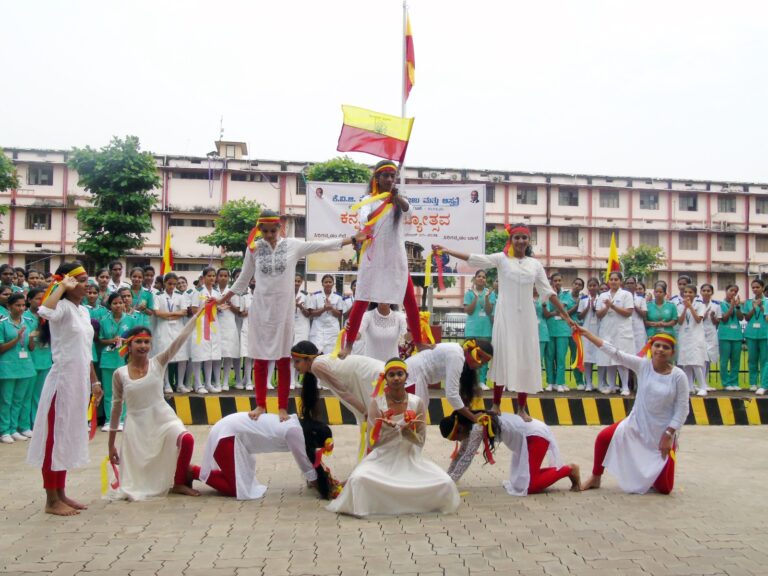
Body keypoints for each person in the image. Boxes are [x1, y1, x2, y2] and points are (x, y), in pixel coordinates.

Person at [222, 210, 364, 421]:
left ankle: (281, 407)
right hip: (260, 308)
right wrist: (223, 298)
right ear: (259, 230)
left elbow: (321, 245)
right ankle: (260, 405)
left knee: (283, 358)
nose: (269, 235)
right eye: (265, 231)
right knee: (260, 358)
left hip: (283, 310)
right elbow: (243, 279)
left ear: (280, 228)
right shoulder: (253, 249)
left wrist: (351, 239)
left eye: (273, 230)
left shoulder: (292, 245)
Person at [433, 223, 574, 420]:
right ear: (511, 240)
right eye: (516, 237)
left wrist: (566, 316)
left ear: (528, 240)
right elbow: (476, 259)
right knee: (502, 356)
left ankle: (522, 408)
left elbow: (548, 292)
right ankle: (497, 404)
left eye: (524, 238)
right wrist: (448, 251)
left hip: (526, 317)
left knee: (525, 358)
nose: (520, 241)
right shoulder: (501, 259)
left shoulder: (535, 265)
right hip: (505, 316)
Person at [327, 358, 460, 517]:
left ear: (406, 377)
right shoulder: (377, 403)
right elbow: (372, 443)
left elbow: (421, 441)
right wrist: (391, 430)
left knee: (444, 483)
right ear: (385, 378)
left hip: (409, 459)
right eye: (391, 375)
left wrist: (406, 432)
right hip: (382, 459)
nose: (396, 378)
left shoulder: (416, 402)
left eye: (399, 374)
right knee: (358, 479)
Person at [26, 262, 103, 516]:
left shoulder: (82, 311)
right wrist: (59, 286)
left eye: (86, 279)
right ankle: (50, 499)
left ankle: (61, 492)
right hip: (62, 381)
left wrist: (94, 381)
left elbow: (86, 352)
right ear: (67, 282)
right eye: (79, 280)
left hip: (79, 381)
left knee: (67, 438)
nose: (85, 284)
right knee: (54, 439)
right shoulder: (60, 307)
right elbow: (43, 311)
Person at [191, 374, 339, 500]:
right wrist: (328, 489)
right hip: (227, 435)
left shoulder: (296, 426)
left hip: (232, 435)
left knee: (243, 483)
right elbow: (304, 464)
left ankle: (204, 473)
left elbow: (310, 461)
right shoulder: (294, 432)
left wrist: (328, 480)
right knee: (237, 490)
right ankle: (194, 472)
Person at [106, 310, 204, 500]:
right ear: (129, 344)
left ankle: (180, 482)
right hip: (137, 426)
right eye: (138, 342)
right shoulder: (120, 374)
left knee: (187, 439)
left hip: (162, 418)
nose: (143, 346)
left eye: (146, 342)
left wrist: (199, 314)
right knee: (137, 483)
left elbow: (180, 339)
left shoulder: (158, 363)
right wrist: (110, 445)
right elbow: (116, 409)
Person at [579, 329, 689, 495]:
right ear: (651, 348)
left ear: (672, 352)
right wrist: (587, 335)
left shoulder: (678, 376)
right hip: (636, 424)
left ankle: (650, 475)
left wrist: (669, 434)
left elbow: (683, 408)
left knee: (665, 489)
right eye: (657, 345)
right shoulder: (644, 365)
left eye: (665, 347)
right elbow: (616, 354)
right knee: (603, 438)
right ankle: (596, 477)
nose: (660, 349)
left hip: (661, 434)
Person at [340, 161, 425, 358]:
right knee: (361, 300)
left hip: (396, 259)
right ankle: (349, 345)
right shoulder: (368, 199)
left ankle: (420, 343)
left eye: (392, 176)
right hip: (374, 259)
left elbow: (409, 212)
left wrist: (396, 200)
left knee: (410, 300)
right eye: (385, 175)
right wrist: (385, 202)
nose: (389, 179)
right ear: (376, 179)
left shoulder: (399, 200)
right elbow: (366, 220)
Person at [440, 411, 580, 495]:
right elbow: (461, 454)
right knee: (519, 483)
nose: (458, 441)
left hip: (535, 436)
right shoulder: (471, 425)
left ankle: (569, 470)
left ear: (459, 428)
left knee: (529, 486)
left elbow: (467, 458)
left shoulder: (478, 425)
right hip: (525, 439)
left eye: (456, 438)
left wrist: (448, 483)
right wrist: (447, 478)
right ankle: (553, 472)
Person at [405, 340, 493, 424]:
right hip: (412, 378)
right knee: (412, 419)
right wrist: (473, 417)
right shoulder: (457, 356)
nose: (481, 366)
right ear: (475, 354)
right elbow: (452, 395)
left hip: (415, 378)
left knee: (417, 417)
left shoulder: (457, 353)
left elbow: (454, 391)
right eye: (481, 362)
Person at [0, 292, 37, 443]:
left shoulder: (28, 321)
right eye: (17, 305)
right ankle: (4, 430)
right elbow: (1, 348)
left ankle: (16, 428)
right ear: (9, 306)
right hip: (8, 367)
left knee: (20, 400)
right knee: (6, 400)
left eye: (23, 305)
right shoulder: (2, 323)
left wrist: (32, 339)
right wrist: (17, 338)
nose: (21, 308)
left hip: (25, 366)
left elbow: (31, 348)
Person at [98, 293, 134, 431]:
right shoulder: (104, 320)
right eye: (115, 303)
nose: (118, 305)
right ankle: (109, 420)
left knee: (123, 390)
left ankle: (122, 419)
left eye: (120, 303)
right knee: (109, 392)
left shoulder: (130, 320)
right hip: (107, 358)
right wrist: (111, 340)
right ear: (110, 305)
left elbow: (135, 337)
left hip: (123, 358)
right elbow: (100, 339)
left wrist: (126, 341)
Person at [596, 272, 635, 396]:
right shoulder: (603, 295)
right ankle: (611, 386)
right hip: (607, 331)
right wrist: (607, 307)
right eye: (611, 279)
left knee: (621, 360)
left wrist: (612, 306)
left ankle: (625, 387)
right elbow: (598, 314)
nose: (613, 282)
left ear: (620, 281)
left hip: (621, 331)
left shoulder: (626, 294)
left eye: (616, 279)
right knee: (609, 360)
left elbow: (628, 312)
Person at [152, 273, 191, 393]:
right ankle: (167, 383)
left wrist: (167, 315)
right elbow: (157, 313)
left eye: (174, 284)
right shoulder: (158, 295)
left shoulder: (180, 295)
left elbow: (184, 312)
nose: (172, 286)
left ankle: (180, 384)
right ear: (164, 283)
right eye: (170, 284)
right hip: (163, 328)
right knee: (165, 355)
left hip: (178, 327)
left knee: (182, 355)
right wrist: (174, 314)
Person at [24, 288, 52, 427]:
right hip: (30, 360)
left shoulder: (47, 317)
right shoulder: (24, 317)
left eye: (43, 299)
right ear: (29, 300)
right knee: (27, 395)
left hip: (45, 359)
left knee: (40, 394)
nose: (40, 301)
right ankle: (25, 424)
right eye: (37, 298)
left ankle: (37, 423)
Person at [543, 272, 575, 393]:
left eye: (559, 280)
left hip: (563, 330)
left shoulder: (566, 294)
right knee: (549, 357)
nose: (557, 283)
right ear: (551, 283)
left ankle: (560, 382)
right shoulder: (546, 294)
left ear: (562, 281)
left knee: (561, 357)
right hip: (550, 330)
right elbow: (546, 312)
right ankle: (550, 382)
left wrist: (555, 311)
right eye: (554, 281)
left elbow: (560, 306)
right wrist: (555, 312)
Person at [676, 285, 709, 396]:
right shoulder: (680, 305)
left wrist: (690, 307)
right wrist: (685, 308)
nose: (687, 294)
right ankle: (689, 387)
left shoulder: (700, 305)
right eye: (685, 292)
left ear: (695, 294)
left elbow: (698, 319)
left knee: (696, 362)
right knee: (686, 363)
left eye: (690, 292)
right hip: (684, 336)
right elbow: (680, 322)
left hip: (695, 336)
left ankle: (702, 386)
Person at [463, 270, 494, 389]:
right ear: (475, 279)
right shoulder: (469, 293)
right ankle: (472, 382)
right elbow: (469, 311)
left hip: (485, 330)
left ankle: (482, 381)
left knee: (484, 356)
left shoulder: (489, 294)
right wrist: (475, 297)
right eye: (479, 276)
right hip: (472, 330)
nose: (482, 279)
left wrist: (486, 298)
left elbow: (488, 311)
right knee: (471, 357)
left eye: (484, 277)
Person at [215, 268, 241, 392]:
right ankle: (216, 381)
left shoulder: (233, 292)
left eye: (226, 275)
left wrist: (230, 304)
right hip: (215, 325)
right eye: (221, 275)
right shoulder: (212, 291)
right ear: (217, 277)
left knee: (228, 354)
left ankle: (225, 381)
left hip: (229, 325)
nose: (223, 278)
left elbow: (239, 311)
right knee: (216, 355)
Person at [742, 278, 768, 394]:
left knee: (764, 360)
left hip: (764, 334)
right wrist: (754, 307)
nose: (755, 289)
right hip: (751, 334)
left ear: (762, 288)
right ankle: (753, 383)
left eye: (758, 287)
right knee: (752, 359)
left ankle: (763, 384)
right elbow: (746, 318)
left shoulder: (767, 301)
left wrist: (761, 307)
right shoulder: (748, 302)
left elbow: (766, 316)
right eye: (753, 287)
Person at [308, 274, 344, 355]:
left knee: (331, 353)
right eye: (326, 282)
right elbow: (311, 313)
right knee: (316, 352)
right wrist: (324, 309)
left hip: (332, 329)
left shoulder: (338, 297)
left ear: (333, 284)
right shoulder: (315, 296)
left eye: (330, 282)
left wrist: (331, 308)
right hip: (318, 329)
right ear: (322, 284)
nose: (328, 284)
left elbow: (340, 314)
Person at [578, 278, 602, 391]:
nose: (592, 288)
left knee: (600, 358)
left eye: (594, 285)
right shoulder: (583, 300)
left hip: (599, 331)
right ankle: (588, 383)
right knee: (587, 358)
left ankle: (601, 383)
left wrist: (595, 307)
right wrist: (588, 307)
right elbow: (580, 316)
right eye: (590, 286)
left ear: (598, 286)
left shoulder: (602, 299)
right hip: (586, 331)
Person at [718, 284, 743, 390]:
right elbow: (724, 318)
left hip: (736, 335)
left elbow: (741, 318)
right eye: (731, 290)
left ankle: (734, 382)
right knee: (724, 360)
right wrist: (732, 306)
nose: (733, 293)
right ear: (726, 291)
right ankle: (726, 383)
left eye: (735, 291)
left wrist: (737, 307)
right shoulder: (720, 304)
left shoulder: (738, 305)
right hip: (725, 336)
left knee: (736, 360)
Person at [699, 283, 721, 389]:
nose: (706, 292)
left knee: (708, 359)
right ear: (700, 292)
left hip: (711, 333)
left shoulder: (716, 305)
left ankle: (704, 382)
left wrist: (712, 317)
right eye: (704, 290)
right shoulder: (697, 304)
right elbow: (696, 320)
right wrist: (704, 313)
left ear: (712, 292)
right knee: (700, 358)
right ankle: (698, 382)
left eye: (708, 291)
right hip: (699, 333)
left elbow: (718, 322)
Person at [623, 277, 648, 355]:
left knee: (639, 353)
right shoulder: (621, 298)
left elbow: (644, 314)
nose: (630, 285)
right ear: (624, 285)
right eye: (628, 283)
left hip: (638, 329)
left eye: (632, 283)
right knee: (626, 353)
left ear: (635, 285)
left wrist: (634, 305)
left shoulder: (641, 299)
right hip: (625, 328)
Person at [534, 288, 551, 388]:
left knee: (539, 359)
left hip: (541, 331)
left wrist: (544, 306)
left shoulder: (543, 298)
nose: (535, 288)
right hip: (529, 331)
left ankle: (538, 384)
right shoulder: (526, 297)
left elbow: (547, 315)